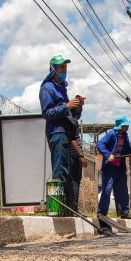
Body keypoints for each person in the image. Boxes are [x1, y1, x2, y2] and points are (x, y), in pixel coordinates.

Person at [39, 54, 83, 203]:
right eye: (61, 67)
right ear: (53, 69)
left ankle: (65, 207)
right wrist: (66, 106)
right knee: (59, 171)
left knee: (65, 173)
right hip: (56, 133)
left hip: (65, 133)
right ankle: (56, 208)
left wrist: (76, 105)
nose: (64, 70)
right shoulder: (47, 88)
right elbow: (47, 113)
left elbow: (67, 112)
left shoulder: (61, 88)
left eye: (65, 67)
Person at [97, 116, 131, 220]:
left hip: (120, 167)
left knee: (122, 190)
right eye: (126, 125)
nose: (128, 126)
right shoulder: (111, 134)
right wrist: (107, 154)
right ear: (121, 126)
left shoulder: (124, 136)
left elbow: (128, 149)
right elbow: (100, 144)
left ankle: (124, 212)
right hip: (110, 167)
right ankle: (101, 213)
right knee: (107, 190)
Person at [66, 101, 88, 212]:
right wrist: (81, 156)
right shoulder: (72, 122)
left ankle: (72, 207)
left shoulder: (70, 121)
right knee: (74, 181)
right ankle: (73, 208)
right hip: (74, 157)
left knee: (74, 181)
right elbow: (72, 140)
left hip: (74, 156)